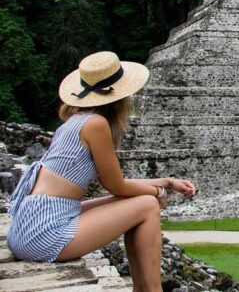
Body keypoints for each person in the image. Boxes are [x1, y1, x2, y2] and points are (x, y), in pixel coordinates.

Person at [6, 51, 195, 292]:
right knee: (147, 205)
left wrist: (167, 182)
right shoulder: (96, 124)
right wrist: (157, 192)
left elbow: (117, 183)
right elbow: (116, 185)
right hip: (43, 233)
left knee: (135, 200)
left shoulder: (74, 122)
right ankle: (151, 289)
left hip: (31, 223)